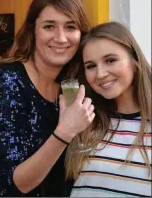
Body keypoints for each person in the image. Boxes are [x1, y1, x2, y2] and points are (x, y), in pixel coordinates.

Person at [0, 0, 95, 197]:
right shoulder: (8, 81)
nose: (61, 38)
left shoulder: (73, 87)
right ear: (33, 30)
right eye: (49, 26)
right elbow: (13, 183)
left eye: (70, 27)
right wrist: (64, 132)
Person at [65, 22, 152, 197]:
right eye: (91, 66)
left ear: (134, 60)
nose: (100, 74)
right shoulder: (86, 120)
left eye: (110, 60)